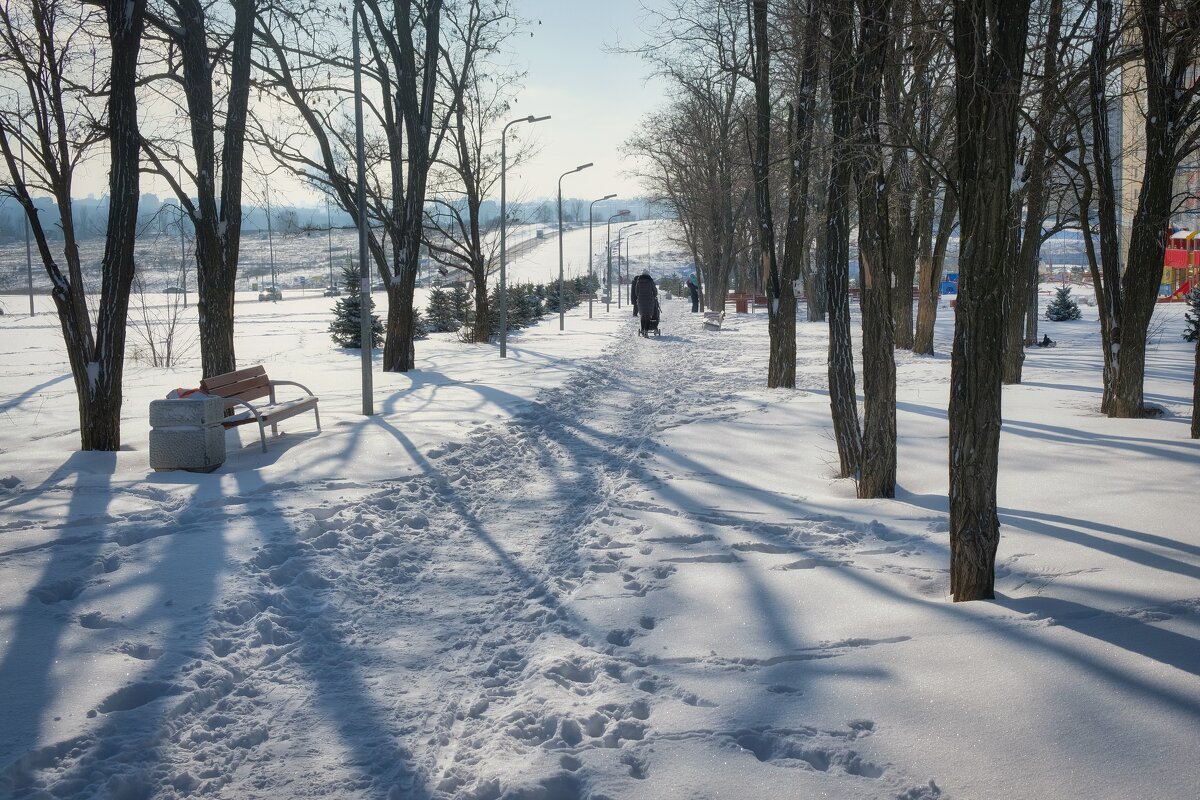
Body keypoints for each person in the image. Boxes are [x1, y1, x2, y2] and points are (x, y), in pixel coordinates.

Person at [631, 268, 659, 336]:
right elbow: (654, 291)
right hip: (649, 300)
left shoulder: (638, 281)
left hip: (641, 301)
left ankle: (642, 330)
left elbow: (636, 291)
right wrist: (654, 295)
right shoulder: (650, 281)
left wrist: (639, 297)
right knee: (648, 316)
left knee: (643, 316)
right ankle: (646, 331)